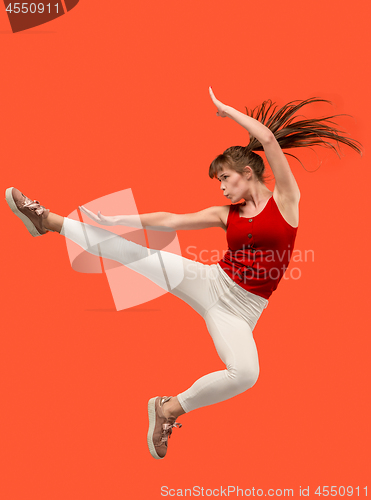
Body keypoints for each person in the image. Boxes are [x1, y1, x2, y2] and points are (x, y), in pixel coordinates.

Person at [5, 87, 362, 460]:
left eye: (224, 178)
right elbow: (171, 220)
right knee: (134, 255)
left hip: (240, 310)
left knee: (245, 374)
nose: (222, 187)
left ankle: (168, 409)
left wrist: (228, 111)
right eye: (219, 182)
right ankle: (47, 220)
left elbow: (269, 140)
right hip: (211, 282)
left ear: (246, 173)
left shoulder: (287, 201)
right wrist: (120, 219)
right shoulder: (228, 214)